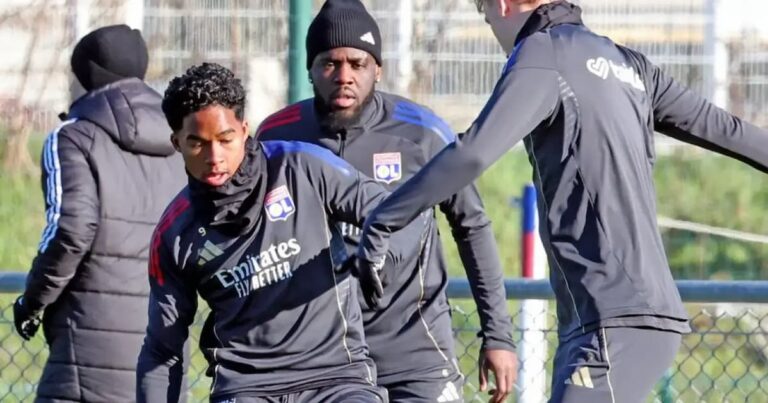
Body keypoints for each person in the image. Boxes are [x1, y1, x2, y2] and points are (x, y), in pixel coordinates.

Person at [352, 0, 768, 402]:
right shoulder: (627, 63)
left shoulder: (542, 52)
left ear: (500, 4)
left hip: (615, 315)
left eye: (483, 15)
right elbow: (730, 130)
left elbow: (473, 153)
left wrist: (385, 217)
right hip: (612, 318)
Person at [257, 1, 517, 401]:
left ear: (377, 68)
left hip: (416, 353)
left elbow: (472, 225)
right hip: (322, 364)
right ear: (310, 68)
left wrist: (498, 335)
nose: (344, 76)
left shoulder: (421, 133)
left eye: (357, 64)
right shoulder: (277, 138)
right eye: (330, 63)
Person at [136, 62, 392, 403]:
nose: (215, 157)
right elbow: (161, 350)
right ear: (176, 142)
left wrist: (375, 249)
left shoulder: (303, 167)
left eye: (226, 139)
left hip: (337, 379)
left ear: (244, 130)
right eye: (197, 143)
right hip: (246, 389)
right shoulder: (174, 233)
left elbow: (391, 208)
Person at [11, 24, 185, 402]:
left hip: (85, 356)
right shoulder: (181, 140)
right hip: (165, 353)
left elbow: (70, 228)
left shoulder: (72, 137)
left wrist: (32, 302)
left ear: (87, 76)